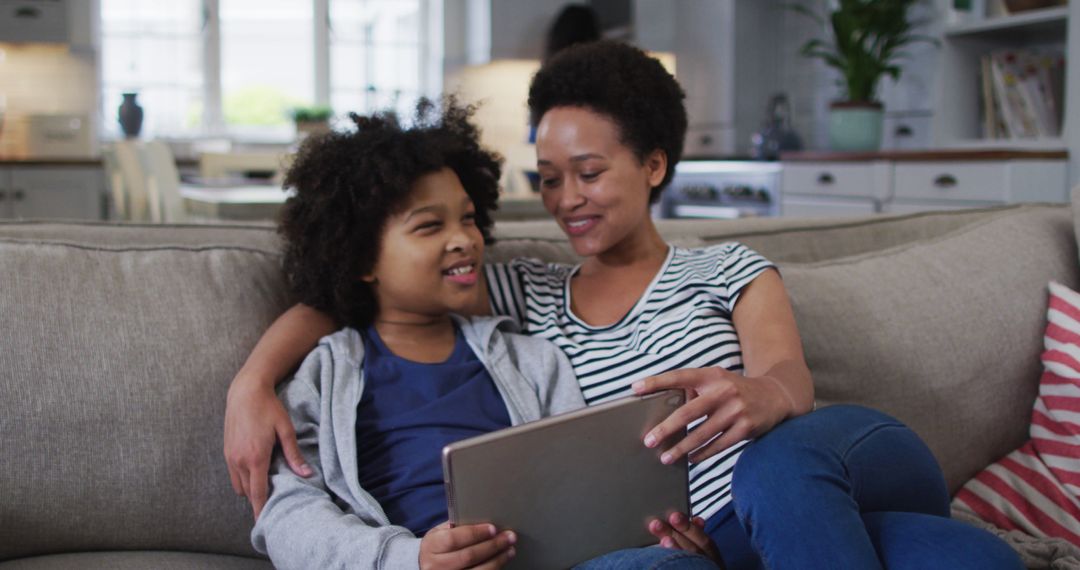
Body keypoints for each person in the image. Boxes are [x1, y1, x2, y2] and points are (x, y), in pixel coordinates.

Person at [228, 42, 1023, 569]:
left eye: (589, 171)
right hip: (725, 543)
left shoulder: (728, 268)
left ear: (652, 164)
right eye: (547, 177)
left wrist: (762, 395)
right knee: (969, 559)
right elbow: (364, 297)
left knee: (783, 464)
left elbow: (789, 378)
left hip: (838, 459)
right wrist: (253, 380)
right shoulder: (517, 295)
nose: (566, 199)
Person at [251, 99, 720, 569]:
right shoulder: (325, 373)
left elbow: (589, 489)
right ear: (360, 260)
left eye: (469, 218)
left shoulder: (533, 360)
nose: (464, 239)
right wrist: (410, 559)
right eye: (430, 225)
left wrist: (655, 535)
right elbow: (288, 514)